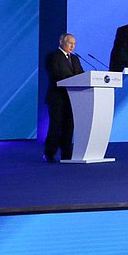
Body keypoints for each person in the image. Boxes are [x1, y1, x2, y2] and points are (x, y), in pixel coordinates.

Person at [44, 33, 84, 163]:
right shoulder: (53, 57)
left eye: (74, 44)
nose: (72, 46)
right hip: (58, 97)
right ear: (61, 42)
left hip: (72, 98)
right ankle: (49, 153)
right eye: (70, 43)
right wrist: (72, 80)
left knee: (69, 127)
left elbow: (81, 75)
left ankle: (66, 154)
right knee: (56, 126)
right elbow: (55, 74)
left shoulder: (75, 59)